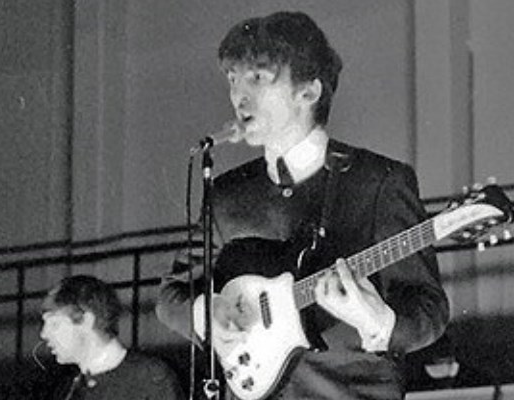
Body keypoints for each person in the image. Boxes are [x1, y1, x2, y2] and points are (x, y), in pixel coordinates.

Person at [155, 11, 449, 400]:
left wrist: (378, 320)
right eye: (233, 79)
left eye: (257, 78)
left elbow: (429, 308)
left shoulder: (378, 180)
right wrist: (206, 314)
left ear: (308, 92)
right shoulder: (227, 193)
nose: (239, 96)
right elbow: (172, 295)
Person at [0, 275, 184, 400]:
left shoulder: (150, 378)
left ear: (86, 320)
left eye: (54, 324)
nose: (44, 334)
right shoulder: (68, 388)